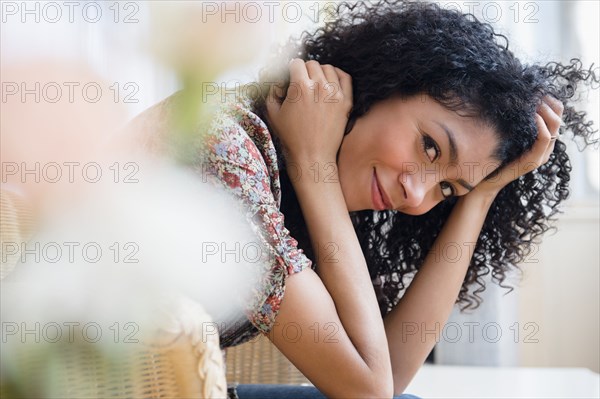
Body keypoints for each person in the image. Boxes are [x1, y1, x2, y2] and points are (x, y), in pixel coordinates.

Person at [130, 1, 597, 398]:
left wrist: (483, 194)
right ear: (386, 82)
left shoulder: (299, 173)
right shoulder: (226, 152)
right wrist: (312, 164)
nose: (416, 194)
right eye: (430, 147)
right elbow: (370, 391)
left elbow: (388, 374)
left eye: (446, 190)